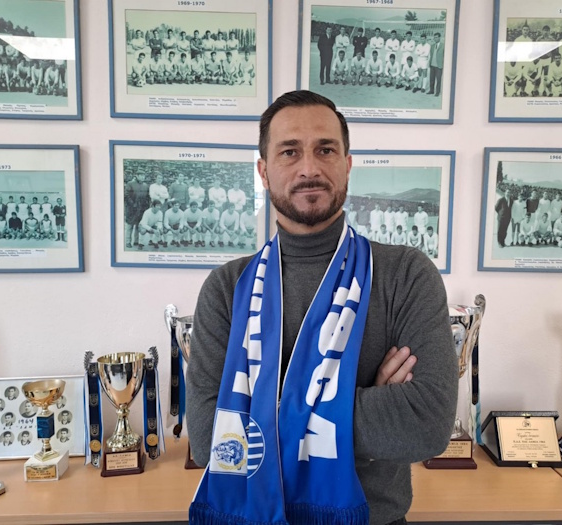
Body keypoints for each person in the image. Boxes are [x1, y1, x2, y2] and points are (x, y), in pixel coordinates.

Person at [187, 90, 457, 525]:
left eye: (325, 150)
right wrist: (361, 401)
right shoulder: (226, 289)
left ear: (347, 163)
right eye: (289, 152)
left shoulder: (404, 275)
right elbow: (207, 440)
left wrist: (260, 411)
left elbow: (426, 423)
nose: (309, 168)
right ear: (263, 171)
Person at [125, 172, 149, 248]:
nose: (143, 177)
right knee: (130, 226)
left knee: (138, 225)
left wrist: (146, 206)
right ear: (137, 176)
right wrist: (132, 204)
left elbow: (147, 197)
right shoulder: (130, 184)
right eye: (141, 175)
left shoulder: (145, 185)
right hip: (131, 209)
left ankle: (136, 241)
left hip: (141, 209)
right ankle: (128, 242)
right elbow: (126, 195)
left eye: (144, 176)